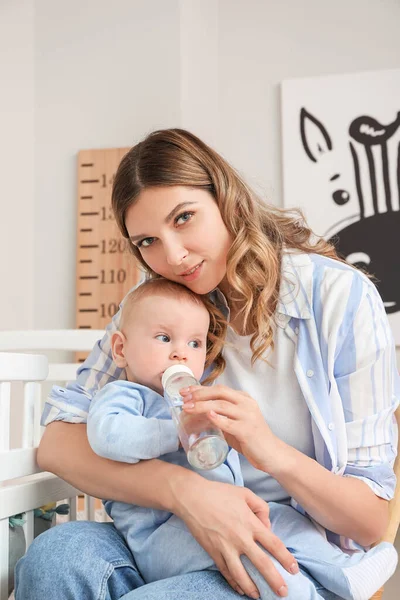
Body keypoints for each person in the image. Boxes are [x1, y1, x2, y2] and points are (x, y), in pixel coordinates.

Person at [15, 128, 399, 600]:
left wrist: (268, 450)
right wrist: (185, 492)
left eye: (184, 218)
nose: (172, 257)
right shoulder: (161, 307)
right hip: (165, 530)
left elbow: (369, 521)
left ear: (226, 198)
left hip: (282, 545)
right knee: (55, 557)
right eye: (148, 241)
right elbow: (57, 443)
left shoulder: (339, 299)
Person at [87, 277, 397, 600]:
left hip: (232, 508)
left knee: (284, 521)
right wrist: (174, 432)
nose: (181, 354)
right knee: (249, 549)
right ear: (121, 349)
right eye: (164, 338)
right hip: (165, 533)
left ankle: (345, 572)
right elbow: (107, 436)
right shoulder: (123, 395)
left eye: (194, 344)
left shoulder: (194, 395)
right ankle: (299, 595)